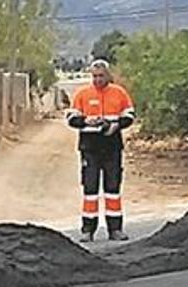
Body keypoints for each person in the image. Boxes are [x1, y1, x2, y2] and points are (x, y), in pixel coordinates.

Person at [66, 59, 136, 242]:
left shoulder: (119, 93)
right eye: (94, 76)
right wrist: (85, 121)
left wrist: (116, 125)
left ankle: (115, 229)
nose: (97, 79)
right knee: (90, 189)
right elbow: (71, 118)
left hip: (112, 147)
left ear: (108, 75)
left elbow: (129, 115)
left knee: (112, 189)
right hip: (90, 148)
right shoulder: (82, 94)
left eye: (101, 76)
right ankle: (88, 230)